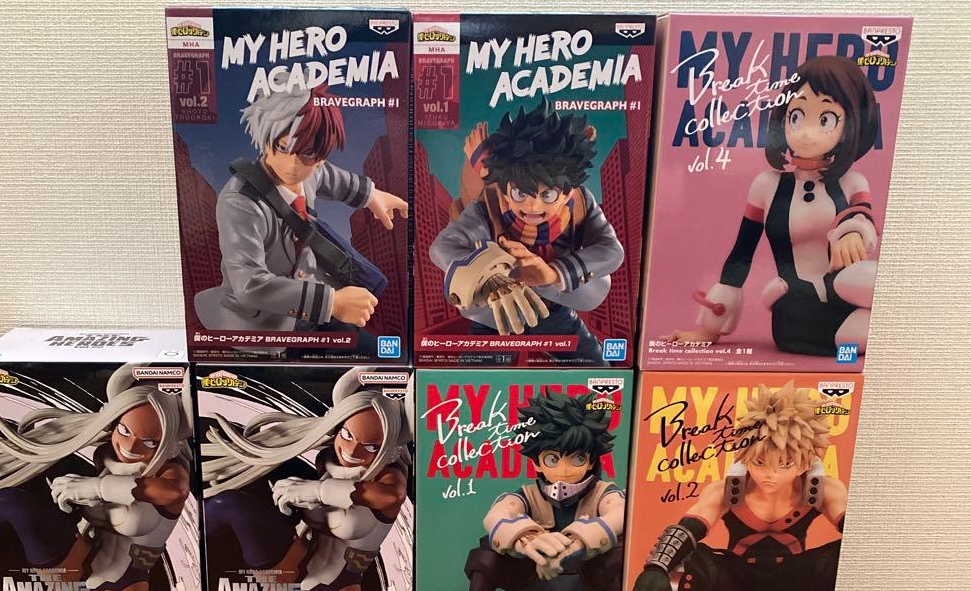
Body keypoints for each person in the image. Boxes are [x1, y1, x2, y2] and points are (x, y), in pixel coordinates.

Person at [664, 56, 880, 357]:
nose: (806, 133)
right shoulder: (767, 185)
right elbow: (742, 253)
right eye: (796, 116)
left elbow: (863, 216)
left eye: (826, 119)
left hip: (847, 307)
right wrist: (709, 329)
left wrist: (854, 231)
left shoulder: (853, 182)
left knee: (873, 282)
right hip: (795, 315)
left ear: (850, 126)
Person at [0, 365, 193, 591]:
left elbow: (175, 490)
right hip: (79, 568)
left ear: (166, 443)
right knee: (6, 503)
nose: (131, 446)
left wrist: (97, 488)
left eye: (150, 442)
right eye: (124, 430)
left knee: (228, 505)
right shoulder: (107, 461)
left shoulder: (170, 475)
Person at [202, 367, 411, 591]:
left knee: (229, 505)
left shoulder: (387, 480)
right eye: (347, 435)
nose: (353, 451)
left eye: (371, 447)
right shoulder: (329, 465)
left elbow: (391, 495)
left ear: (387, 448)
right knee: (237, 490)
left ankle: (191, 546)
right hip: (296, 563)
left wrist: (317, 491)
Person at [630, 382, 846, 591]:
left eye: (784, 464)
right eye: (760, 463)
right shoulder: (726, 490)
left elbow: (857, 535)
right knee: (684, 557)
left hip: (795, 584)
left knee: (848, 557)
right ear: (745, 457)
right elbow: (688, 528)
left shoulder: (824, 490)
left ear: (806, 463)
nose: (770, 474)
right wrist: (656, 567)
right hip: (735, 585)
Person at [197, 78, 408, 356]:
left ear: (320, 157)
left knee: (385, 356)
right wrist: (332, 302)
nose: (290, 164)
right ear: (267, 139)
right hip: (264, 328)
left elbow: (331, 177)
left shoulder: (310, 172)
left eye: (308, 154)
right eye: (283, 147)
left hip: (312, 305)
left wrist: (371, 195)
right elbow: (250, 284)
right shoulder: (241, 201)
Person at [429, 100, 623, 363]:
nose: (532, 207)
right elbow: (442, 247)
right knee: (472, 376)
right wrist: (489, 277)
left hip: (554, 310)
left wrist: (553, 273)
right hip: (496, 314)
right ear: (505, 189)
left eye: (547, 195)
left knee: (596, 369)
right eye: (520, 193)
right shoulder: (490, 205)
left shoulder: (581, 205)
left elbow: (611, 251)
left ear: (567, 193)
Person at [430, 390, 624, 591]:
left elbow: (621, 513)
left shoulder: (604, 493)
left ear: (590, 461)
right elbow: (496, 516)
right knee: (488, 551)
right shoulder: (526, 496)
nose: (565, 470)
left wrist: (577, 544)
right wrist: (527, 541)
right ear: (537, 463)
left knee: (620, 551)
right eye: (552, 459)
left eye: (578, 458)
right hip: (537, 588)